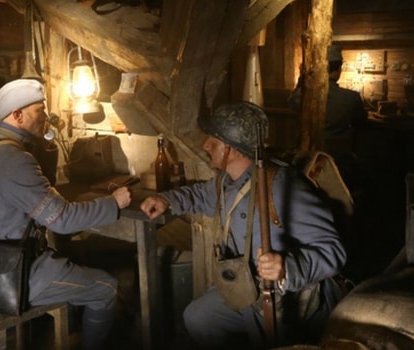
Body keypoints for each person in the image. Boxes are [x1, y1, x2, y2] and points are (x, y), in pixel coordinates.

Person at [140, 102, 347, 349]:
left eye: (214, 141)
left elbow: (333, 252)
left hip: (285, 299)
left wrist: (287, 268)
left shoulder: (280, 187)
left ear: (234, 150)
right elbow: (199, 195)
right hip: (244, 289)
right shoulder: (226, 181)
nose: (205, 145)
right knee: (199, 317)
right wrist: (166, 199)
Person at [0, 79, 132, 350]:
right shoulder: (13, 158)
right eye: (39, 110)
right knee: (105, 288)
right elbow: (64, 221)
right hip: (12, 271)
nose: (46, 117)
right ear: (18, 115)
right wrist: (113, 203)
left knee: (72, 259)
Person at [288, 45, 368, 190]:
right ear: (338, 70)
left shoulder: (302, 96)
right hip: (340, 159)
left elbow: (291, 104)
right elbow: (361, 122)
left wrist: (303, 80)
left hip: (306, 158)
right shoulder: (351, 98)